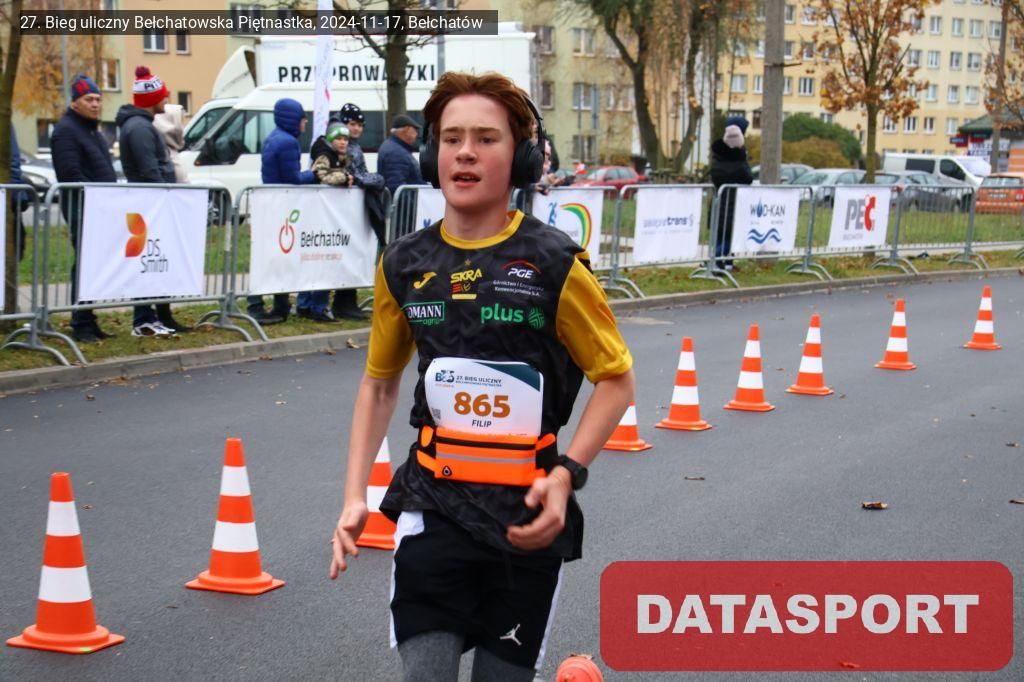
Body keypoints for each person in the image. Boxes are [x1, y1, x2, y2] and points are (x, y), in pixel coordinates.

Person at [329, 72, 635, 681]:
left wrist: (566, 475)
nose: (465, 153)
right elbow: (380, 384)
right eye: (451, 139)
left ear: (519, 158)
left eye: (486, 139)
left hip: (525, 516)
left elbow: (617, 380)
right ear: (431, 155)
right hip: (432, 506)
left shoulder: (554, 263)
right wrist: (354, 495)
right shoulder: (404, 263)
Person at [117, 65, 190, 336]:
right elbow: (150, 170)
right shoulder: (139, 128)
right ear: (152, 98)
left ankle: (159, 316)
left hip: (152, 205)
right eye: (163, 95)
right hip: (149, 206)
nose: (166, 99)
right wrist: (165, 196)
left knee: (155, 263)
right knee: (147, 262)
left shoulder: (144, 125)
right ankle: (144, 319)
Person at [49, 73, 118, 343]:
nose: (95, 104)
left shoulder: (92, 130)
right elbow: (70, 174)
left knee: (94, 264)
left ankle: (89, 318)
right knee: (84, 264)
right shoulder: (66, 131)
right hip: (83, 207)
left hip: (100, 207)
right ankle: (81, 322)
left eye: (98, 99)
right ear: (75, 102)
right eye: (89, 99)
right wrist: (97, 196)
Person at [247, 98, 315, 325]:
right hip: (280, 206)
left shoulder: (274, 137)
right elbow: (293, 178)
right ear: (293, 119)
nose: (305, 122)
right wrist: (313, 174)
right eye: (303, 118)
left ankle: (280, 305)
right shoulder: (288, 142)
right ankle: (260, 305)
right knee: (275, 257)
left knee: (273, 256)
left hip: (271, 204)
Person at [325, 102, 388, 321]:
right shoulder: (344, 146)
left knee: (355, 252)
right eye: (353, 124)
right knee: (348, 252)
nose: (357, 129)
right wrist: (376, 179)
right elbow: (356, 175)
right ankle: (342, 303)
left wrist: (371, 179)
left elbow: (361, 174)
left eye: (360, 125)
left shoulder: (354, 145)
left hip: (355, 207)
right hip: (345, 209)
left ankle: (347, 301)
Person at [294, 122, 354, 322]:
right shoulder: (324, 155)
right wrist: (344, 177)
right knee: (322, 262)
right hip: (320, 216)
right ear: (330, 140)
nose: (343, 142)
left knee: (320, 261)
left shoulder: (341, 156)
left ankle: (307, 304)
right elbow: (320, 176)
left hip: (328, 216)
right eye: (339, 138)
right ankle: (314, 306)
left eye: (345, 139)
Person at [709, 115, 753, 271]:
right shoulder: (738, 161)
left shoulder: (718, 156)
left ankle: (725, 261)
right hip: (733, 202)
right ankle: (716, 260)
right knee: (729, 234)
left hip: (720, 200)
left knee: (721, 233)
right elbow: (747, 177)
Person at [377, 113, 424, 194]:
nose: (416, 135)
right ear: (407, 129)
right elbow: (396, 187)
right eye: (415, 131)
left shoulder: (394, 147)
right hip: (409, 201)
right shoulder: (396, 153)